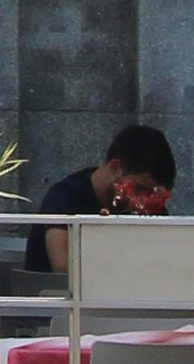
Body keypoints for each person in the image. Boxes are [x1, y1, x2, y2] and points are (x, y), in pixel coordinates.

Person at [35, 117, 177, 275]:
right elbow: (63, 269)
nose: (142, 202)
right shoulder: (65, 197)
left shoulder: (148, 207)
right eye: (138, 188)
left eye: (151, 194)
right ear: (116, 168)